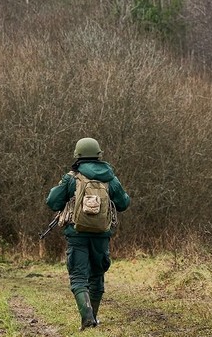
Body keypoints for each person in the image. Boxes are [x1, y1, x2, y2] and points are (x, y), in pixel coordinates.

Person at [46, 137, 131, 331]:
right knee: (97, 275)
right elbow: (124, 204)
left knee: (78, 277)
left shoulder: (71, 177)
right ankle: (94, 317)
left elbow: (52, 202)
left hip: (76, 234)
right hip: (101, 235)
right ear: (99, 154)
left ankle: (87, 318)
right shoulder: (110, 178)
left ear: (78, 155)